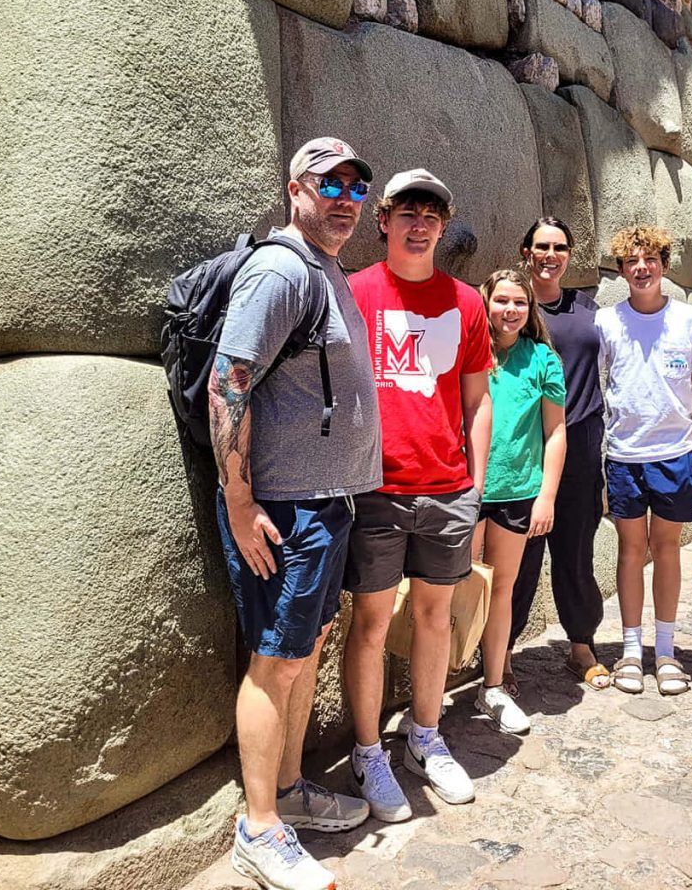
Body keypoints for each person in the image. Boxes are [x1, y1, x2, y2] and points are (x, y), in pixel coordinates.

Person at [210, 137, 382, 890]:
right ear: (294, 190)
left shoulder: (325, 269)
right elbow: (229, 383)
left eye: (356, 186)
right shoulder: (282, 269)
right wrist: (241, 502)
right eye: (330, 184)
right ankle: (259, 827)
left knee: (304, 651)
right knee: (274, 665)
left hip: (324, 504)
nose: (345, 198)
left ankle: (288, 790)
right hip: (283, 508)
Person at [343, 169, 492, 820]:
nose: (420, 221)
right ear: (384, 219)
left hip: (444, 489)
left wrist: (476, 481)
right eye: (408, 209)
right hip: (374, 490)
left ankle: (424, 736)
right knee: (371, 625)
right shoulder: (352, 294)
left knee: (436, 618)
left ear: (443, 222)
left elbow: (477, 398)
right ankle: (368, 749)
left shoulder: (466, 304)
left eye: (433, 210)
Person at [595, 226, 692, 696]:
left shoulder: (689, 320)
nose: (641, 268)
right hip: (625, 454)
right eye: (631, 262)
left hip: (674, 455)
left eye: (650, 260)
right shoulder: (607, 322)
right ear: (622, 270)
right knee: (630, 551)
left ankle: (665, 652)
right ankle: (630, 651)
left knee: (667, 550)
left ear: (664, 266)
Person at [508, 217, 612, 692]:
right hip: (526, 449)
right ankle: (500, 650)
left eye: (560, 247)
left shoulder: (589, 310)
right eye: (541, 247)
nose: (550, 255)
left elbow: (638, 323)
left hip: (581, 447)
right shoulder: (511, 309)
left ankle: (580, 644)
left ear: (570, 254)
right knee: (518, 556)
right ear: (526, 252)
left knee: (575, 550)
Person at [471, 269, 566, 734]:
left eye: (520, 303)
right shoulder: (471, 352)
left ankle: (492, 684)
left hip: (516, 490)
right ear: (485, 302)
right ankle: (439, 687)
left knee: (502, 588)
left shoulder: (543, 359)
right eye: (502, 300)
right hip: (467, 490)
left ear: (530, 311)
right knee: (457, 587)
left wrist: (546, 494)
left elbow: (555, 431)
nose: (510, 310)